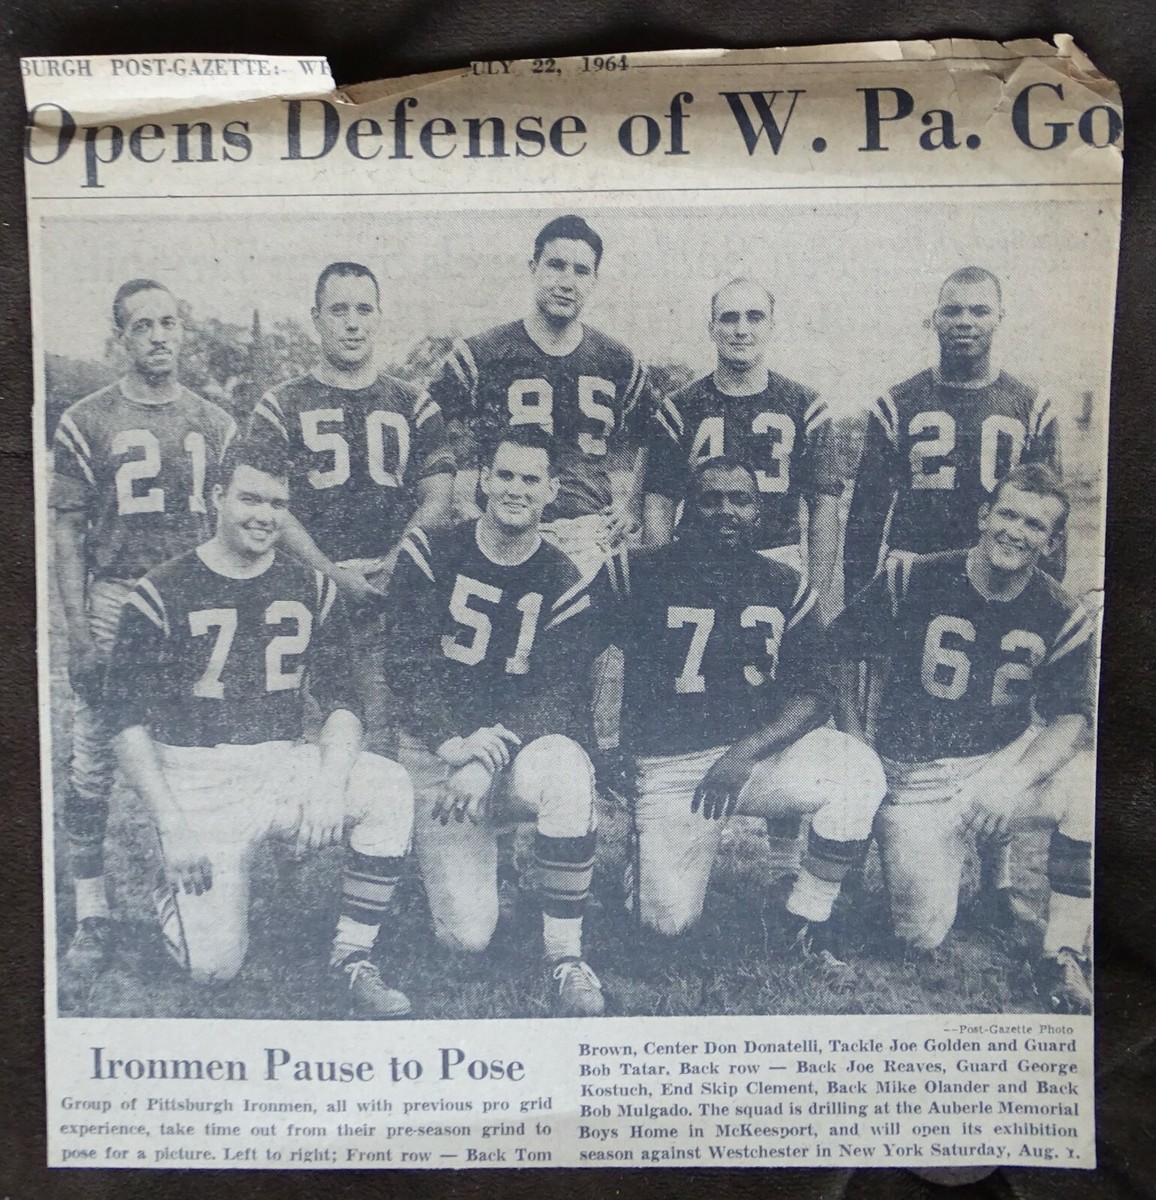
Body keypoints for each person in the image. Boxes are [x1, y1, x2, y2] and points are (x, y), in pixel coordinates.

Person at [103, 440, 416, 1016]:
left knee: (388, 786)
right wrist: (171, 824)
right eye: (250, 498)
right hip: (196, 778)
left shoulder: (310, 585)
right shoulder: (162, 589)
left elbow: (345, 701)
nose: (264, 516)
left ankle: (352, 955)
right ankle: (173, 879)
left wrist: (328, 783)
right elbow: (123, 720)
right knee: (215, 970)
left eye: (277, 503)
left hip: (278, 762)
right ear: (216, 497)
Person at [830, 465, 1096, 1013]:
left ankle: (1063, 951)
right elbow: (836, 650)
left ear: (1050, 542)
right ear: (983, 516)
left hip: (1001, 761)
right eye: (1008, 514)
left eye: (1036, 525)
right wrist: (858, 745)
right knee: (920, 934)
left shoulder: (1062, 611)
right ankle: (894, 844)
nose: (1017, 532)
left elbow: (1072, 716)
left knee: (1089, 785)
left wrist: (1016, 779)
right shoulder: (915, 576)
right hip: (918, 771)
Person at [611, 456, 887, 957]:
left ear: (759, 511)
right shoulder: (639, 570)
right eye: (711, 499)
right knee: (666, 925)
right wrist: (606, 743)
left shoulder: (784, 583)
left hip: (754, 760)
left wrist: (747, 752)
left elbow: (817, 689)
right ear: (686, 509)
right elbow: (573, 647)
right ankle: (645, 856)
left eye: (740, 500)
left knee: (858, 769)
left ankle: (805, 917)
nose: (726, 511)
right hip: (674, 765)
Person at [383, 427, 606, 1016]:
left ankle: (565, 955)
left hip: (503, 758)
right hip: (440, 754)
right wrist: (454, 744)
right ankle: (472, 865)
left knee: (566, 763)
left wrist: (485, 759)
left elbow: (557, 694)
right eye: (504, 475)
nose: (514, 489)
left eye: (530, 479)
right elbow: (405, 664)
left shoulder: (564, 578)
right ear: (482, 479)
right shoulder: (432, 549)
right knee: (466, 938)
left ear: (553, 490)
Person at [51, 277, 236, 975]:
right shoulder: (88, 419)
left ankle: (180, 897)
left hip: (192, 606)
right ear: (120, 337)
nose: (159, 336)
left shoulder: (216, 422)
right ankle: (92, 912)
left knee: (187, 759)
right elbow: (66, 534)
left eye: (168, 322)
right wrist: (78, 632)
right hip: (118, 599)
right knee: (94, 761)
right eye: (143, 325)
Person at [248, 260, 456, 753]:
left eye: (364, 309)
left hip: (392, 590)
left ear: (380, 316)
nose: (352, 322)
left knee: (385, 736)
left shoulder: (413, 402)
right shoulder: (281, 405)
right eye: (338, 309)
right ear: (316, 317)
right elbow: (267, 503)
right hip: (304, 593)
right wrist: (329, 573)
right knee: (307, 739)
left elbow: (438, 495)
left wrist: (397, 562)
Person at [428, 214, 653, 578]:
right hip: (503, 526)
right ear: (533, 268)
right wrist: (463, 499)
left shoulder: (618, 360)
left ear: (595, 280)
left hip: (587, 531)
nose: (567, 282)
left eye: (581, 271)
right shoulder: (483, 353)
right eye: (556, 266)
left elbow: (654, 435)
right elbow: (432, 429)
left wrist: (632, 504)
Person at [843, 266, 1062, 601]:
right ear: (935, 319)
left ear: (999, 318)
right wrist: (859, 601)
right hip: (916, 571)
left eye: (979, 310)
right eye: (952, 310)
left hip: (997, 573)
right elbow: (865, 518)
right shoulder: (898, 403)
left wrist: (1043, 603)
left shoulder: (1032, 407)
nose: (965, 321)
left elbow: (1050, 514)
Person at [643, 278, 843, 621]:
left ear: (771, 327)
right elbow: (660, 501)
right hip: (696, 561)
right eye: (729, 318)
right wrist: (661, 577)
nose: (741, 329)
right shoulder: (681, 407)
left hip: (776, 557)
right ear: (712, 328)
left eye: (754, 317)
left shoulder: (804, 405)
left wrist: (818, 597)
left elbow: (824, 506)